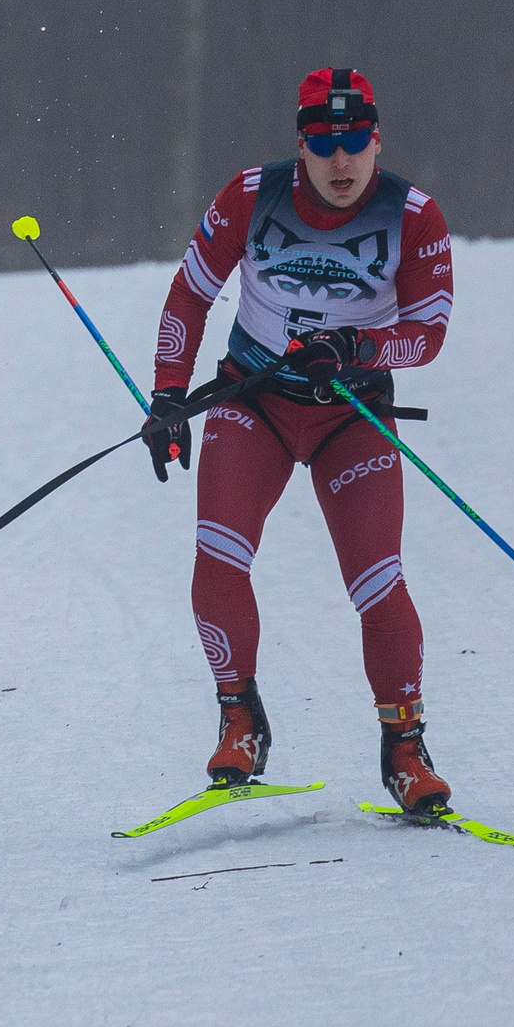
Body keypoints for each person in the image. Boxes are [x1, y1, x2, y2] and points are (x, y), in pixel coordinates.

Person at [141, 67, 456, 813]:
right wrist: (165, 396)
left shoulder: (412, 215)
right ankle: (240, 717)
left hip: (351, 413)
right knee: (218, 557)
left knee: (377, 580)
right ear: (301, 144)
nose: (341, 162)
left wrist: (358, 350)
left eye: (354, 142)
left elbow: (428, 334)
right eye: (324, 142)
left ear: (376, 141)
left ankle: (404, 746)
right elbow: (191, 292)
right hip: (254, 402)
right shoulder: (251, 196)